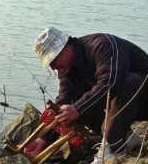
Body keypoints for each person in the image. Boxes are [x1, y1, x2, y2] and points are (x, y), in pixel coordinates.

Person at [28, 27, 148, 163]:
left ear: (65, 47)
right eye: (50, 64)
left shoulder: (102, 45)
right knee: (73, 104)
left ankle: (114, 148)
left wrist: (77, 108)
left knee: (128, 81)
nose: (54, 67)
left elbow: (110, 82)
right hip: (127, 106)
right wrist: (44, 138)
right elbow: (64, 101)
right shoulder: (67, 71)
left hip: (143, 98)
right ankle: (125, 137)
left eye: (53, 61)